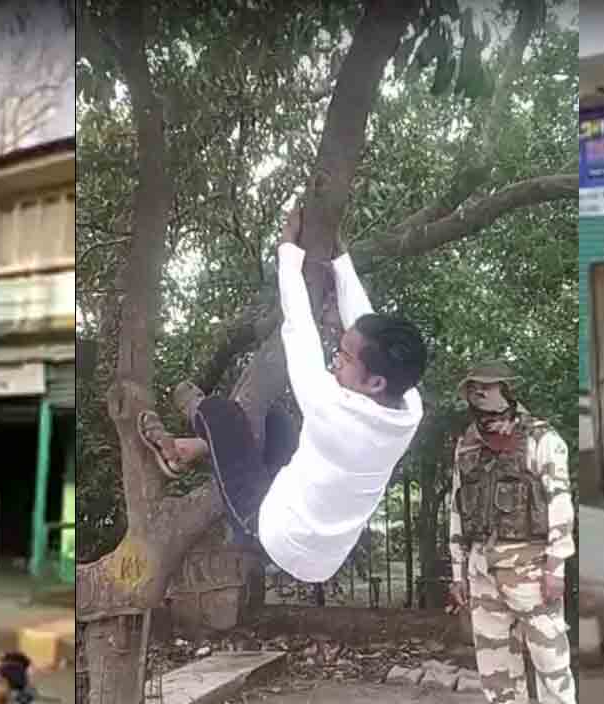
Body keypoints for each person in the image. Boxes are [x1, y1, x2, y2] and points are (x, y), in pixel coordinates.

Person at [136, 208, 428, 583]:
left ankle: (180, 441)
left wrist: (288, 254)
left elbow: (298, 329)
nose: (335, 360)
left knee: (223, 414)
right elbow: (363, 322)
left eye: (345, 356)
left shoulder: (331, 410)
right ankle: (196, 448)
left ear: (375, 383)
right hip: (323, 552)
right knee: (273, 419)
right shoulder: (407, 408)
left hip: (273, 533)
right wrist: (340, 261)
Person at [446, 362, 579, 704]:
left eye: (487, 387)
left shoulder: (542, 438)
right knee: (495, 662)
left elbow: (560, 503)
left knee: (550, 661)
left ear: (506, 389)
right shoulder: (467, 443)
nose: (480, 395)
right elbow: (458, 508)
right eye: (473, 388)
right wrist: (458, 568)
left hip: (530, 567)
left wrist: (558, 565)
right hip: (484, 567)